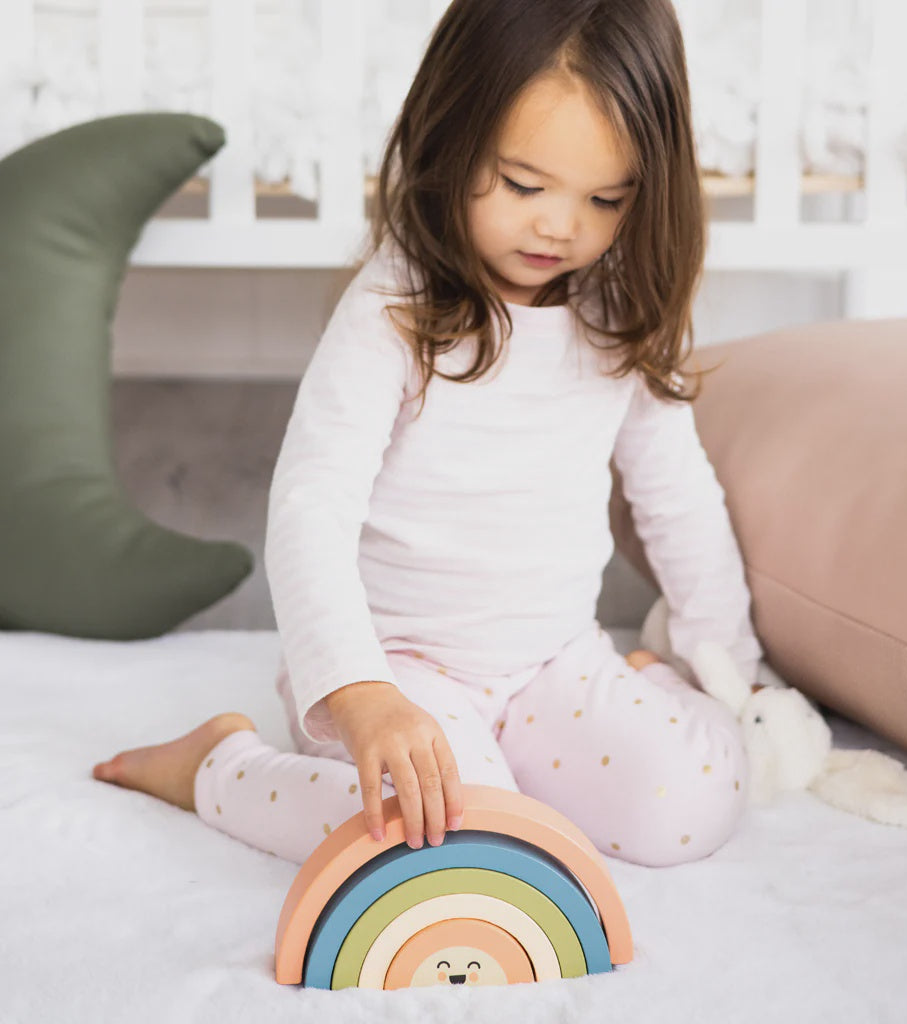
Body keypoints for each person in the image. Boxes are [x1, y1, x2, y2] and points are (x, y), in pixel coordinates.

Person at [93, 0, 763, 869]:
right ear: (453, 141)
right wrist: (360, 691)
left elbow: (676, 493)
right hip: (400, 668)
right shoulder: (395, 311)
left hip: (551, 660)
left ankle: (593, 723)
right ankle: (219, 767)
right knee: (454, 843)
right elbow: (311, 507)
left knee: (699, 801)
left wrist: (731, 673)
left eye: (606, 198)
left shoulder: (620, 312)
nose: (560, 226)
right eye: (524, 185)